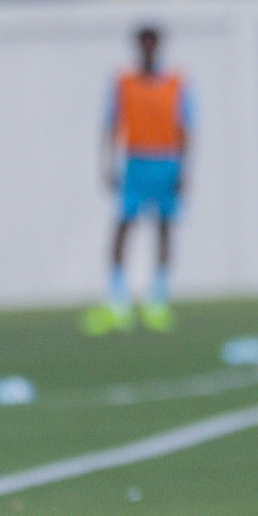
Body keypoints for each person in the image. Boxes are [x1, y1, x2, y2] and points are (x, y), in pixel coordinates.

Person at [82, 26, 192, 334]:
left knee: (164, 226)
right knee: (123, 225)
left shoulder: (175, 82)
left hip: (166, 159)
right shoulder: (123, 82)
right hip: (135, 158)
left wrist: (184, 169)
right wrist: (106, 163)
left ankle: (157, 299)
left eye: (151, 43)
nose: (147, 49)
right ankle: (118, 299)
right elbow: (111, 123)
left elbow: (185, 126)